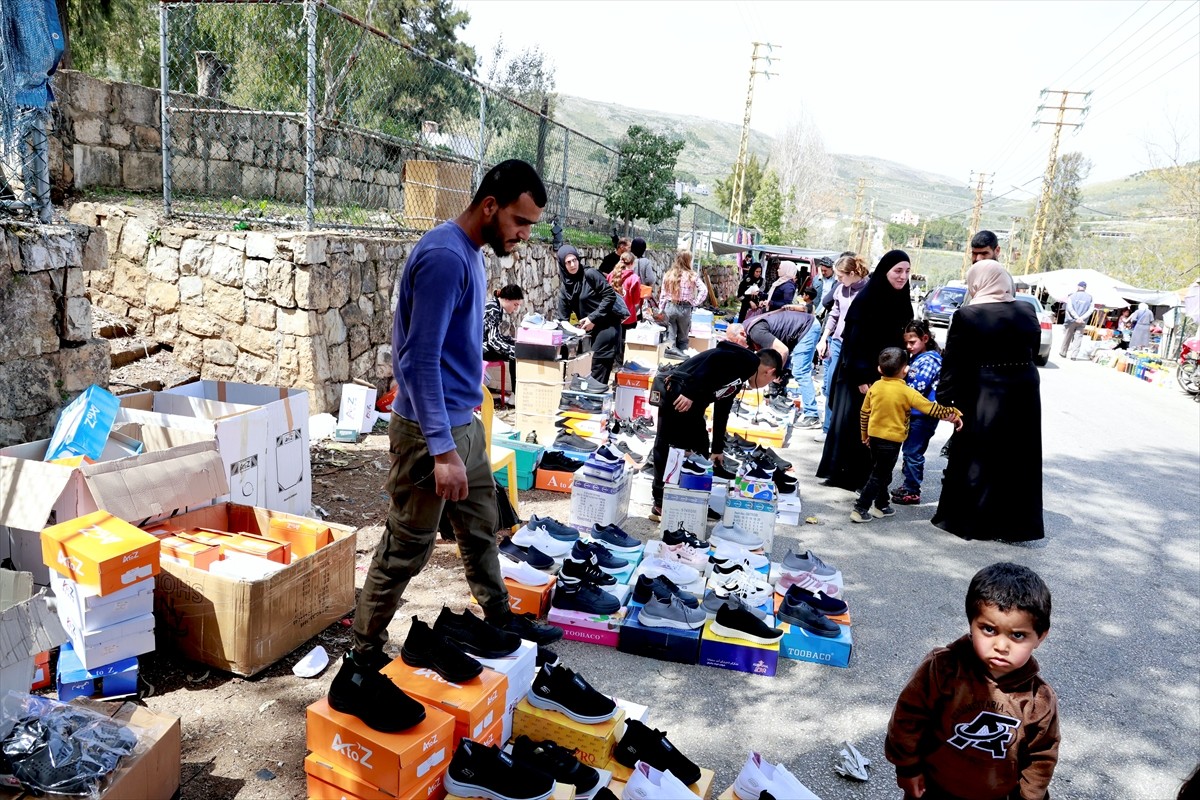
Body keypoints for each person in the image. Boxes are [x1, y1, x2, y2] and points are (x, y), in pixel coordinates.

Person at [329, 160, 560, 734]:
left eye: (530, 226)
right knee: (406, 548)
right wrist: (441, 450)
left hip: (463, 423)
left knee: (482, 526)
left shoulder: (472, 254)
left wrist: (463, 433)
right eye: (520, 221)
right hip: (428, 433)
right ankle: (358, 666)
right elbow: (417, 360)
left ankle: (499, 618)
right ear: (490, 206)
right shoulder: (444, 257)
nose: (523, 234)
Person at [885, 562, 1059, 800]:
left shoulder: (1038, 699)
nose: (1001, 646)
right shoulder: (943, 669)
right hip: (933, 787)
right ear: (971, 624)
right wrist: (907, 768)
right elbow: (907, 719)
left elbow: (1041, 756)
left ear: (1040, 636)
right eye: (989, 629)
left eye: (1018, 635)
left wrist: (1030, 797)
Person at [932, 259, 1044, 542]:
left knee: (979, 454)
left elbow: (954, 362)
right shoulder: (1027, 309)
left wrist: (945, 400)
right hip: (1024, 391)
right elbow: (1032, 349)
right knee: (1018, 456)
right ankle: (1015, 525)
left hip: (985, 390)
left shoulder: (967, 315)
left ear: (977, 283)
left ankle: (974, 521)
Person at [648, 344, 783, 520]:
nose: (765, 385)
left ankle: (696, 501)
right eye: (770, 381)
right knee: (668, 446)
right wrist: (690, 392)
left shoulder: (738, 377)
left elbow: (722, 410)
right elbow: (715, 358)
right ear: (770, 371)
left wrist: (717, 449)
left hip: (691, 401)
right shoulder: (749, 361)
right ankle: (660, 503)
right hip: (679, 392)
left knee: (701, 447)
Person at [816, 250, 913, 491]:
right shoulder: (868, 298)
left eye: (907, 271)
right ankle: (844, 474)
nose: (903, 276)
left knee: (875, 425)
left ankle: (864, 477)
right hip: (858, 373)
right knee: (853, 423)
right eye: (898, 271)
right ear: (885, 272)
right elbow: (854, 340)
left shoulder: (902, 299)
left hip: (885, 374)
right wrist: (860, 376)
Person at [852, 347, 960, 524]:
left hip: (874, 438)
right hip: (891, 442)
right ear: (906, 370)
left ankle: (881, 505)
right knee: (879, 475)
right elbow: (930, 408)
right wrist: (953, 412)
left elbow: (864, 413)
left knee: (882, 472)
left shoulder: (875, 387)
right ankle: (860, 508)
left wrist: (864, 434)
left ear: (879, 369)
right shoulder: (907, 392)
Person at [815, 253, 870, 438]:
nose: (838, 280)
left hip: (858, 348)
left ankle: (849, 431)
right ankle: (827, 428)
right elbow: (834, 314)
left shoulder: (868, 290)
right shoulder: (840, 289)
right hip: (838, 343)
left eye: (840, 276)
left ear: (852, 273)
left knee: (853, 390)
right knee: (831, 385)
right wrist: (824, 339)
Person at [890, 320, 944, 506]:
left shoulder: (929, 360)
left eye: (912, 342)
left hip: (923, 416)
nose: (908, 346)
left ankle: (912, 490)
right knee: (909, 451)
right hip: (915, 414)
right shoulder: (917, 357)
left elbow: (917, 387)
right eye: (906, 342)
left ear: (925, 338)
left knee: (913, 453)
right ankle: (908, 485)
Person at [556, 244, 626, 384]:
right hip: (588, 334)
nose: (573, 265)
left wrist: (593, 318)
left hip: (607, 328)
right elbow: (562, 318)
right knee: (587, 374)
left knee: (596, 376)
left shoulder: (590, 274)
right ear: (563, 265)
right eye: (568, 262)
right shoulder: (566, 287)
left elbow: (610, 296)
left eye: (574, 260)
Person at [660, 249, 705, 356]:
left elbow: (663, 294)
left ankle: (670, 358)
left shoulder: (669, 274)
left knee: (670, 337)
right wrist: (695, 302)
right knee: (683, 338)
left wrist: (661, 309)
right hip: (685, 308)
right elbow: (704, 290)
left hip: (670, 307)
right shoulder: (692, 275)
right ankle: (683, 358)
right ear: (688, 260)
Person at [483, 284, 523, 400]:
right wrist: (512, 350)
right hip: (480, 348)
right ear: (507, 299)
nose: (515, 309)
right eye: (515, 305)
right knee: (515, 355)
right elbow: (493, 340)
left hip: (484, 345)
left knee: (515, 348)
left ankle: (515, 394)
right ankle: (515, 395)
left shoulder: (496, 306)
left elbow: (494, 335)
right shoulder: (493, 308)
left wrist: (510, 341)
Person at [609, 251, 642, 364]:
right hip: (628, 317)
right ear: (632, 263)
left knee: (613, 341)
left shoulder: (611, 275)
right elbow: (636, 300)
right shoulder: (634, 278)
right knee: (626, 343)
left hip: (612, 314)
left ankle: (613, 362)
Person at [1059, 280, 1093, 359]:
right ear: (1085, 288)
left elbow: (1070, 308)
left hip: (1072, 320)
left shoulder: (1072, 296)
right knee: (1078, 338)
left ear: (1078, 287)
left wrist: (1076, 317)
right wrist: (1082, 318)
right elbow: (1091, 310)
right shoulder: (1090, 297)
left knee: (1068, 336)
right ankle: (1074, 355)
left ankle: (1063, 352)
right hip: (1082, 321)